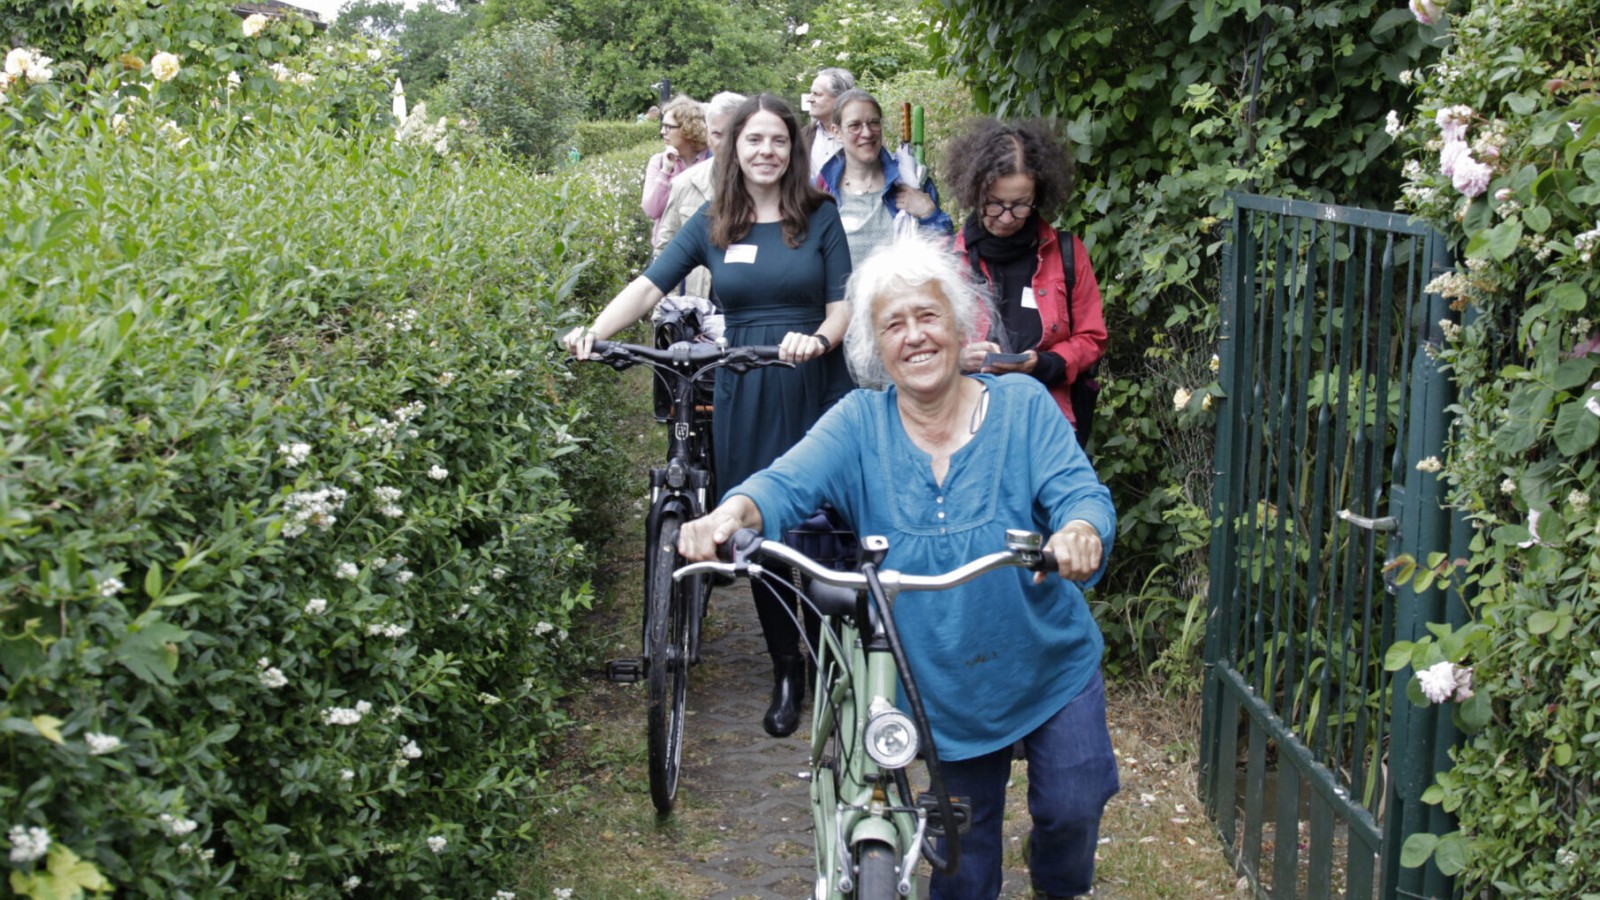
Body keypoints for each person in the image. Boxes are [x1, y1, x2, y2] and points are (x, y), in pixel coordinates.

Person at [678, 234, 1119, 900]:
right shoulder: (859, 422)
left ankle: (1061, 886)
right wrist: (729, 515)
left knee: (1072, 807)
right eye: (893, 323)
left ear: (960, 322)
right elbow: (782, 483)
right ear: (873, 346)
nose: (914, 336)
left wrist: (1081, 530)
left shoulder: (1023, 408)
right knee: (961, 874)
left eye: (928, 316)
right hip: (939, 688)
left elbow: (1080, 493)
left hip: (1048, 664)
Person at [564, 93, 854, 738]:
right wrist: (594, 330)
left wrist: (821, 341)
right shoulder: (715, 220)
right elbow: (649, 285)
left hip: (810, 377)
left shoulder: (820, 215)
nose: (766, 152)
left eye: (778, 140)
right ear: (734, 148)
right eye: (754, 141)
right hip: (746, 383)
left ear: (793, 147)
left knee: (825, 526)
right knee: (760, 529)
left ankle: (834, 657)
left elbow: (841, 306)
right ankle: (789, 671)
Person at [946, 118, 1108, 446]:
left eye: (1020, 205)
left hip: (1047, 425)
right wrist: (958, 360)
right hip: (966, 427)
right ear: (973, 191)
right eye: (994, 203)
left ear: (1039, 195)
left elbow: (1091, 338)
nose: (1006, 218)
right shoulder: (945, 261)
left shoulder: (1066, 253)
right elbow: (922, 344)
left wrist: (1042, 364)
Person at [815, 88, 952, 264]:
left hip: (902, 290)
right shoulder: (821, 190)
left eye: (873, 123)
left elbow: (944, 255)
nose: (867, 133)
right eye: (854, 125)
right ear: (837, 132)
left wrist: (930, 214)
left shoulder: (912, 181)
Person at [654, 91, 747, 300]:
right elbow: (664, 251)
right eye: (718, 134)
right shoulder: (685, 183)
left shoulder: (770, 185)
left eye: (735, 133)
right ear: (707, 135)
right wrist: (666, 317)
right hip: (700, 306)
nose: (727, 143)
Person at [641, 95, 710, 246]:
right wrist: (666, 171)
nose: (662, 132)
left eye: (668, 127)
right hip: (667, 251)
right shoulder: (658, 162)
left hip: (703, 254)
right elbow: (651, 211)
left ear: (689, 128)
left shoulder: (711, 161)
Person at [800, 67, 854, 179]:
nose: (809, 99)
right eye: (811, 93)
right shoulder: (804, 136)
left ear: (840, 99)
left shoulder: (861, 136)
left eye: (817, 94)